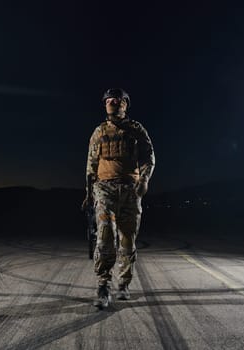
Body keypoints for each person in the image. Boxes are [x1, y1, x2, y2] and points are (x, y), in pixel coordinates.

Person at [81, 88, 155, 308]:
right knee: (104, 235)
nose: (113, 103)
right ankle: (103, 284)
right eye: (109, 101)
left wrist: (144, 181)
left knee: (127, 240)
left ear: (125, 104)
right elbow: (90, 166)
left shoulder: (136, 130)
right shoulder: (98, 132)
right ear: (105, 105)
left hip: (130, 191)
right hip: (104, 189)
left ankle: (123, 283)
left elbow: (149, 157)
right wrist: (88, 193)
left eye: (117, 100)